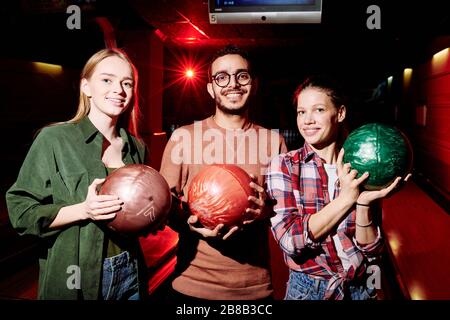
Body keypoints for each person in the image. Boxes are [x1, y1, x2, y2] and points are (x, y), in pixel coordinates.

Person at [6, 48, 149, 300]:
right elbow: (21, 212)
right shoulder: (54, 139)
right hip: (78, 277)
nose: (119, 90)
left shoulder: (137, 147)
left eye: (127, 83)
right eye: (107, 80)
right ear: (86, 86)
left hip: (131, 270)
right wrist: (84, 210)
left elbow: (137, 213)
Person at [160, 44, 287, 301]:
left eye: (242, 75)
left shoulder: (274, 142)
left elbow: (285, 214)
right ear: (210, 88)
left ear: (254, 84)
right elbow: (165, 207)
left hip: (255, 288)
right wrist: (191, 225)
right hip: (191, 283)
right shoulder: (184, 137)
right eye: (222, 77)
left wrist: (265, 211)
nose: (233, 84)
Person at [265, 75, 411, 300]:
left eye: (319, 110)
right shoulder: (285, 165)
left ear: (340, 113)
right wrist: (346, 198)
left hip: (361, 289)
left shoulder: (363, 166)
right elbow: (290, 240)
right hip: (307, 291)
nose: (307, 120)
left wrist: (363, 204)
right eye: (301, 112)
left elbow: (372, 252)